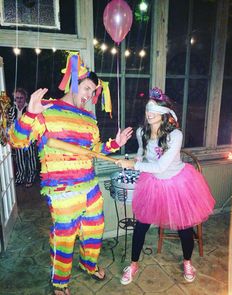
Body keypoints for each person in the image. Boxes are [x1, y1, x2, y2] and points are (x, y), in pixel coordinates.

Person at [8, 52, 133, 295]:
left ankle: (89, 264)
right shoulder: (47, 109)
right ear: (74, 82)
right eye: (86, 88)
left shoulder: (89, 119)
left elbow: (92, 150)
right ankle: (60, 282)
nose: (89, 96)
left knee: (94, 230)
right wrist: (30, 114)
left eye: (92, 91)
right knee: (64, 239)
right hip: (63, 193)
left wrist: (114, 145)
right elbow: (16, 141)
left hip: (90, 187)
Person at [116, 87, 215, 285]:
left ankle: (187, 262)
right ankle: (134, 263)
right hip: (152, 184)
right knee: (141, 226)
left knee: (184, 228)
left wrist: (134, 165)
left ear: (165, 113)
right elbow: (143, 153)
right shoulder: (141, 132)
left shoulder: (175, 135)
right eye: (147, 108)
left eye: (155, 108)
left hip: (177, 184)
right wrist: (136, 158)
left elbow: (161, 166)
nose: (149, 112)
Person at [8, 87, 37, 187]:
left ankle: (30, 177)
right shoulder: (12, 110)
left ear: (25, 98)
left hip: (29, 138)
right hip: (17, 139)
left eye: (21, 97)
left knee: (31, 158)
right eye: (17, 98)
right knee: (19, 159)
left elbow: (35, 123)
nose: (19, 100)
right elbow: (10, 123)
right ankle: (20, 177)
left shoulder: (30, 108)